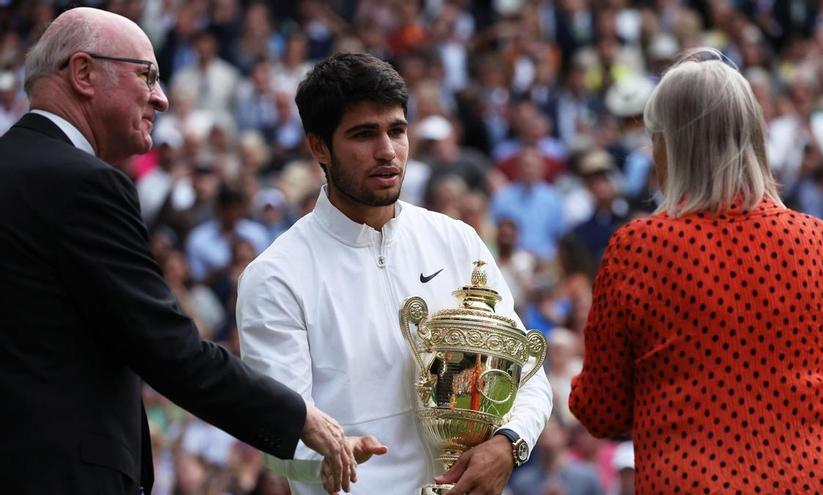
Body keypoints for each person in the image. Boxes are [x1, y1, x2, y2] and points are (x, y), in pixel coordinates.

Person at [0, 8, 369, 495]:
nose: (162, 97)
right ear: (84, 72)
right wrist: (301, 420)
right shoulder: (82, 185)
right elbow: (166, 347)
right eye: (146, 76)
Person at [236, 52, 552, 495]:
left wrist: (509, 442)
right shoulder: (276, 276)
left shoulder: (457, 241)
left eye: (397, 131)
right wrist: (331, 452)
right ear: (318, 146)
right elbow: (278, 431)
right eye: (364, 134)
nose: (387, 151)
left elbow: (527, 374)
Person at [568, 48, 823, 494]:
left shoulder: (639, 247)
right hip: (814, 479)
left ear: (674, 146)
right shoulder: (815, 238)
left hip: (692, 482)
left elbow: (602, 409)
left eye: (655, 139)